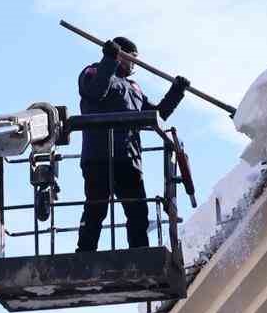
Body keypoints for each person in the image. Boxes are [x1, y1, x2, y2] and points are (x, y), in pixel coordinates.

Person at [76, 37, 189, 251]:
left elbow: (157, 115)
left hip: (128, 158)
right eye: (132, 59)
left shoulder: (133, 88)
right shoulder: (93, 72)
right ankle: (84, 253)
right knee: (96, 207)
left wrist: (177, 91)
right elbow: (95, 92)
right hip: (99, 156)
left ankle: (140, 252)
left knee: (138, 211)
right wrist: (109, 60)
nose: (135, 64)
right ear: (122, 56)